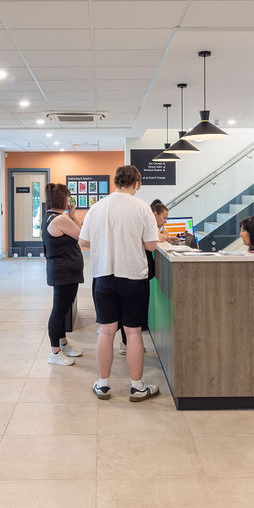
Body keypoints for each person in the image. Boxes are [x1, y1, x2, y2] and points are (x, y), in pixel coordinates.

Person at [79, 165, 160, 402]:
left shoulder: (97, 207)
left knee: (106, 331)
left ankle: (103, 384)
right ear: (136, 183)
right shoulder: (142, 208)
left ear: (116, 182)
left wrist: (105, 243)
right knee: (132, 332)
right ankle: (137, 387)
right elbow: (151, 245)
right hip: (133, 277)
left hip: (103, 276)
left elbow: (83, 242)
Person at [116, 199, 175, 355]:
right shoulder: (144, 223)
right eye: (163, 218)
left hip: (136, 273)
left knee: (131, 313)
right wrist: (163, 235)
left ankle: (126, 342)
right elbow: (153, 241)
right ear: (154, 214)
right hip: (136, 274)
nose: (165, 221)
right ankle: (126, 342)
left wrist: (163, 232)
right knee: (130, 314)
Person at [41, 183, 84, 366]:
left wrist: (71, 215)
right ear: (62, 199)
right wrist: (72, 216)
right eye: (68, 197)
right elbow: (83, 236)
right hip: (64, 272)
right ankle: (55, 352)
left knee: (62, 309)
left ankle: (63, 343)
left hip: (62, 270)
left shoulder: (50, 216)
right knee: (59, 312)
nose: (69, 200)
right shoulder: (60, 219)